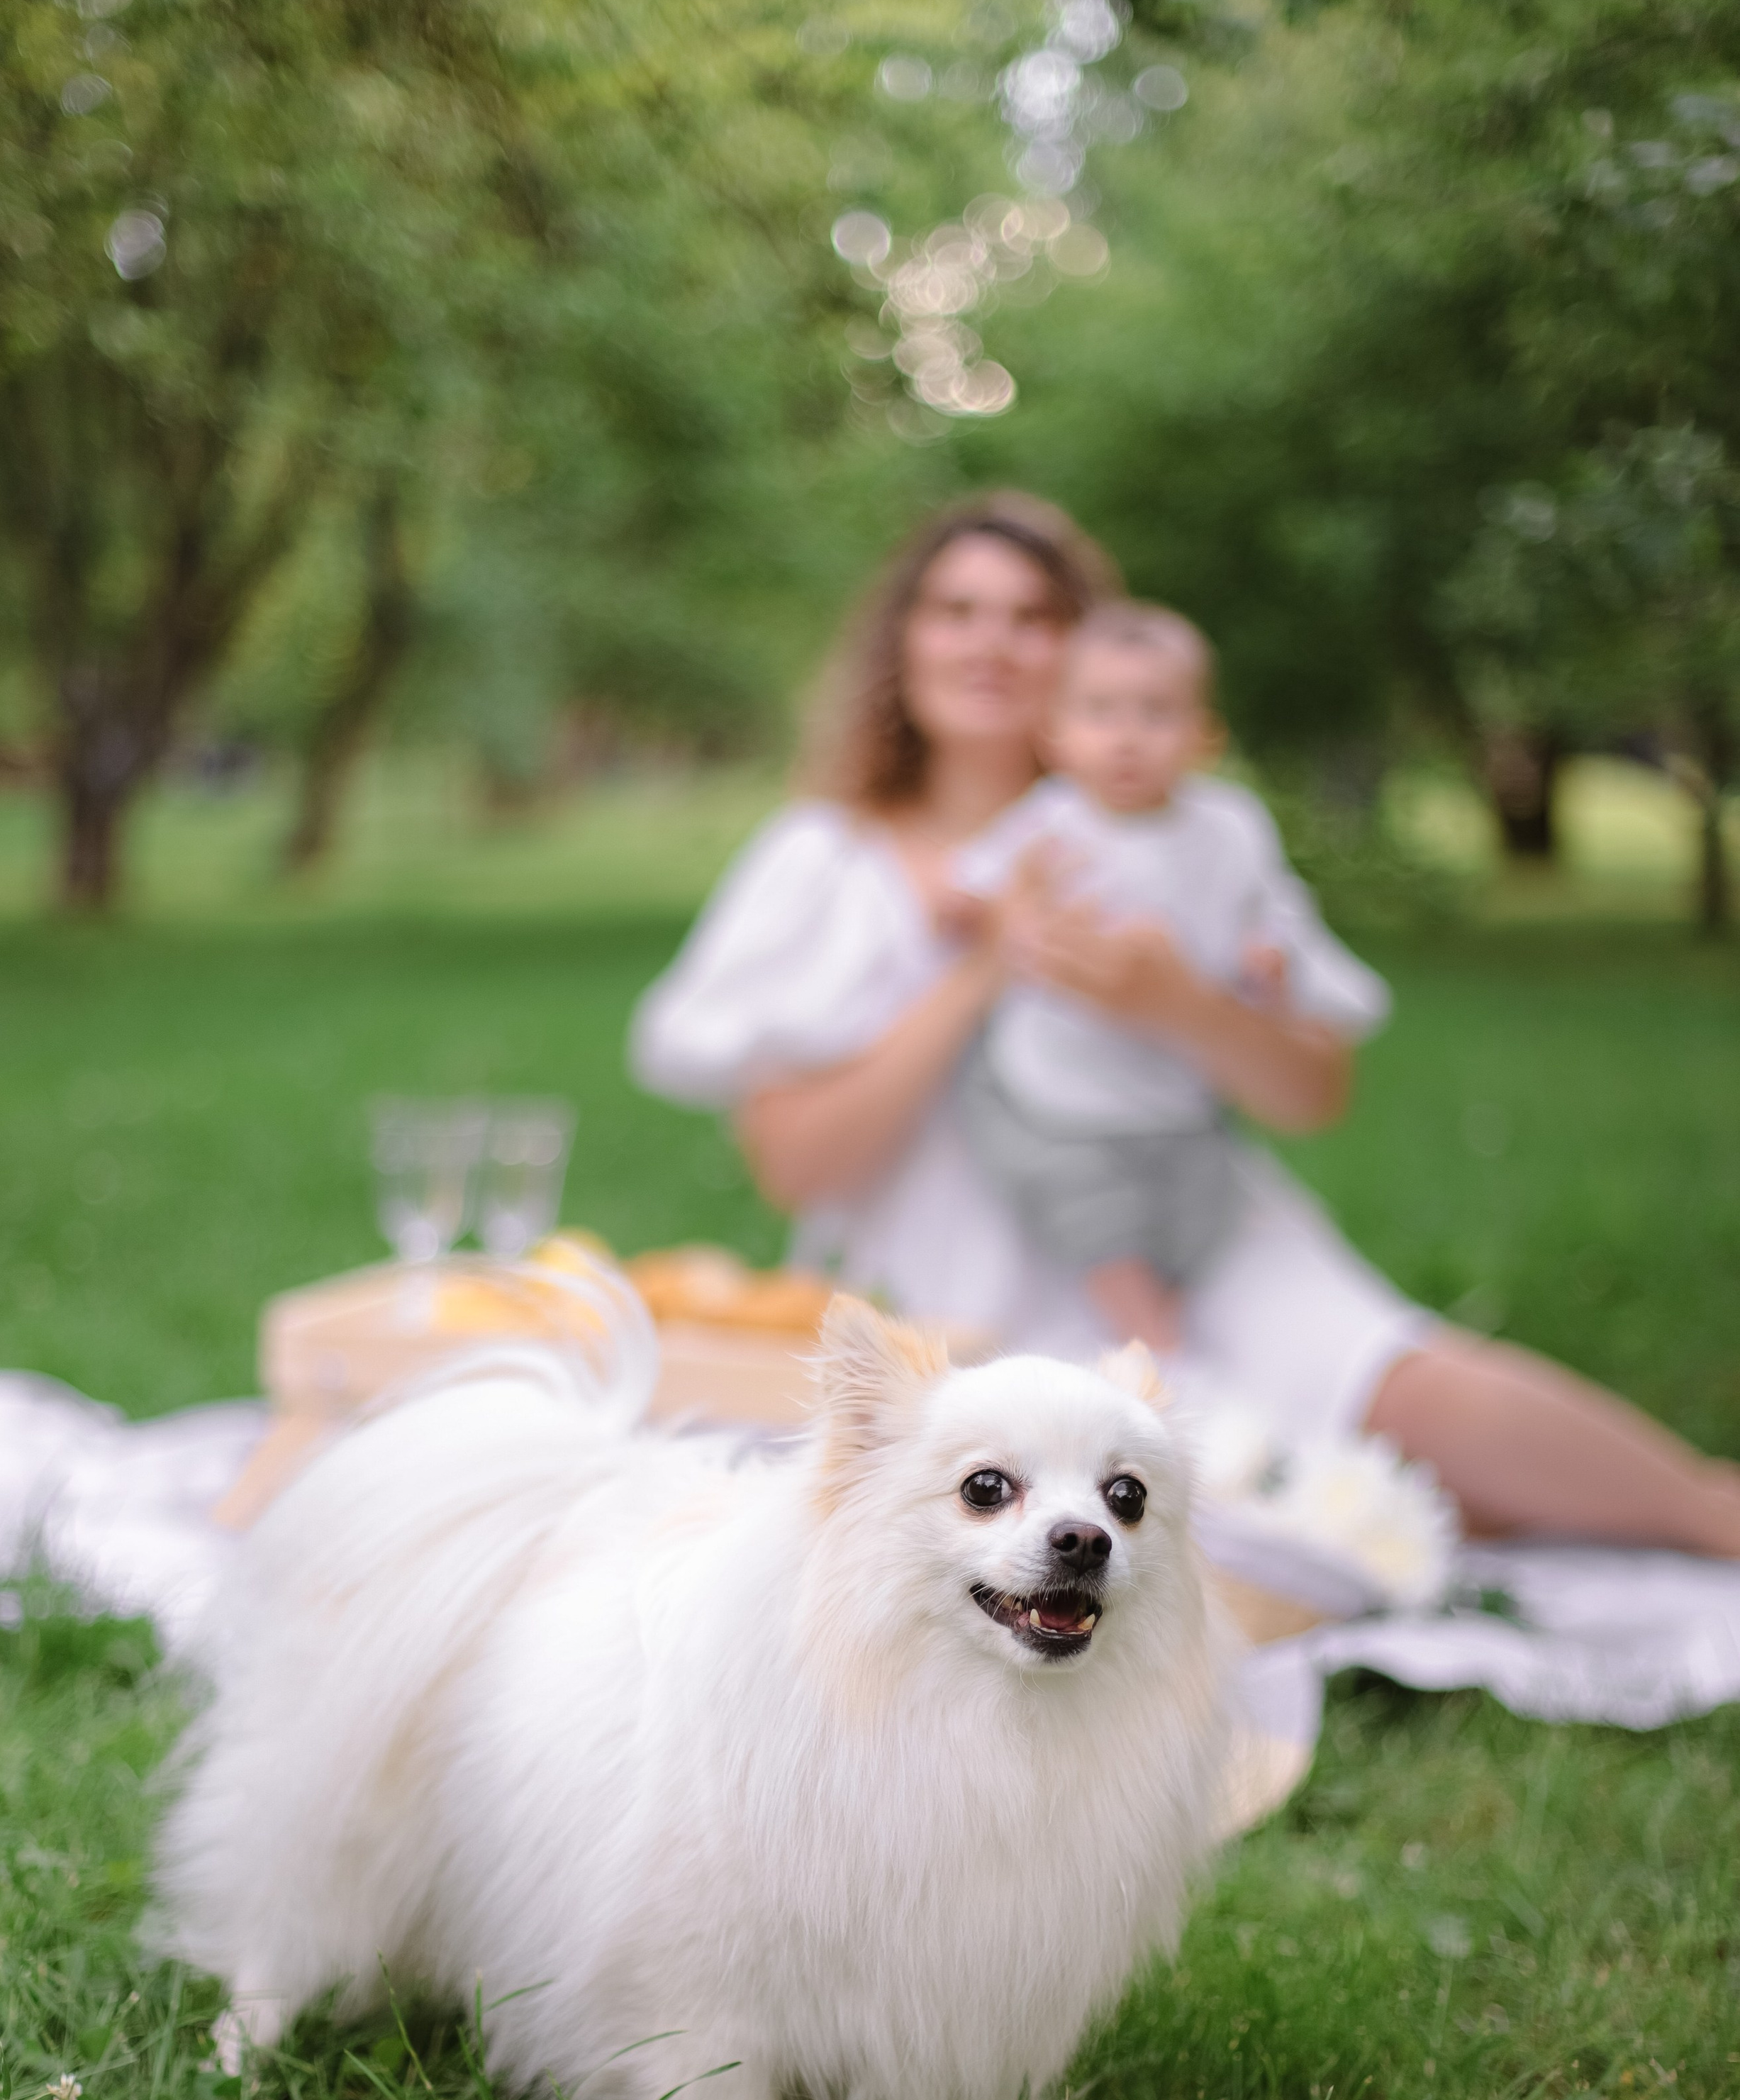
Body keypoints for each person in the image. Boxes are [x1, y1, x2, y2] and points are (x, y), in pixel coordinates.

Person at [630, 490, 1740, 1555]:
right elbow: (794, 1164)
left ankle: (1706, 1511)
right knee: (1134, 1513)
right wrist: (983, 969)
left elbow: (1315, 1093)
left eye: (1033, 617)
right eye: (956, 610)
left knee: (1405, 1383)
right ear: (902, 642)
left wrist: (1176, 1003)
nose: (992, 645)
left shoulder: (1196, 842)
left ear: (1087, 656)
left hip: (1191, 1218)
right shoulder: (825, 861)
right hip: (956, 1284)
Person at [947, 596, 1384, 1353]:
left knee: (1199, 1209)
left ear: (1203, 735)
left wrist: (1269, 965)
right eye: (1099, 712)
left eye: (1155, 713)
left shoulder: (1227, 827)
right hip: (1058, 1088)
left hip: (1174, 1094)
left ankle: (1189, 1312)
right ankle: (1152, 1343)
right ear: (1055, 733)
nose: (1125, 738)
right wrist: (1011, 918)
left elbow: (1271, 913)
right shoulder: (1053, 823)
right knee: (1090, 1210)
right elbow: (973, 891)